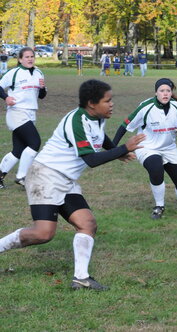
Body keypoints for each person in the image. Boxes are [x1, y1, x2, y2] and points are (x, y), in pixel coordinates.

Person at [0, 79, 145, 291]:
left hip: (65, 179)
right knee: (43, 234)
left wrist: (116, 150)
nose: (112, 104)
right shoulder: (76, 121)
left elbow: (99, 137)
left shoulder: (97, 117)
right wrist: (123, 147)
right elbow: (92, 160)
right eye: (108, 100)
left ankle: (81, 278)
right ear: (92, 103)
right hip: (45, 176)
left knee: (87, 223)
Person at [113, 78, 177, 219]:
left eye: (168, 91)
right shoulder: (146, 107)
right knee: (156, 168)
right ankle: (159, 206)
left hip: (169, 148)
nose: (165, 94)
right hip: (147, 147)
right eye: (161, 91)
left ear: (171, 93)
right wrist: (113, 148)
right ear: (156, 92)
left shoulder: (176, 106)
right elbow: (124, 125)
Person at [0, 47, 46, 188]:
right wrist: (6, 98)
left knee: (18, 151)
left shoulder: (39, 73)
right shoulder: (14, 73)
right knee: (34, 142)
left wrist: (43, 88)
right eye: (26, 57)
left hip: (31, 113)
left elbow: (42, 96)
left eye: (32, 56)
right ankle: (22, 176)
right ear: (20, 59)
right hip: (17, 112)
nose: (30, 59)